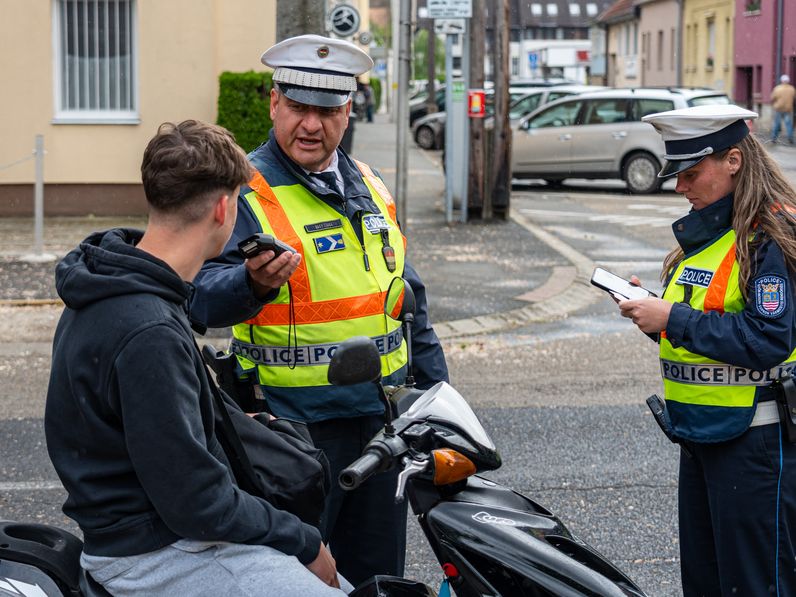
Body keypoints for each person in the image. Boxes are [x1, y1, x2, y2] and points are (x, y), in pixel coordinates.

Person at [44, 120, 352, 596]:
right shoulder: (147, 327)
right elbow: (197, 502)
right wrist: (306, 542)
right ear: (224, 208)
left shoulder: (110, 283)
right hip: (159, 552)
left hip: (135, 534)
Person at [191, 35, 449, 588]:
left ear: (348, 111)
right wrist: (250, 283)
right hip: (292, 434)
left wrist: (438, 401)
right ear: (274, 103)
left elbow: (408, 299)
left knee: (378, 579)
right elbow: (198, 297)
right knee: (299, 580)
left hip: (382, 427)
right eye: (300, 107)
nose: (312, 125)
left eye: (328, 110)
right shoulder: (243, 191)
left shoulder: (373, 184)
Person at [618, 104, 796, 595]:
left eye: (691, 174)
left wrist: (672, 317)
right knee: (708, 582)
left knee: (755, 583)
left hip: (755, 442)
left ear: (733, 160)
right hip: (702, 434)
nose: (680, 187)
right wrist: (655, 318)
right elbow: (707, 324)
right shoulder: (710, 232)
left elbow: (768, 339)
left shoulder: (770, 236)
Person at [770, 73, 795, 145]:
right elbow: (794, 98)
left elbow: (772, 98)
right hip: (788, 109)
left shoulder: (777, 88)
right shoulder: (792, 89)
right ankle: (790, 138)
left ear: (781, 81)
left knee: (776, 124)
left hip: (778, 108)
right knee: (788, 124)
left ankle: (774, 138)